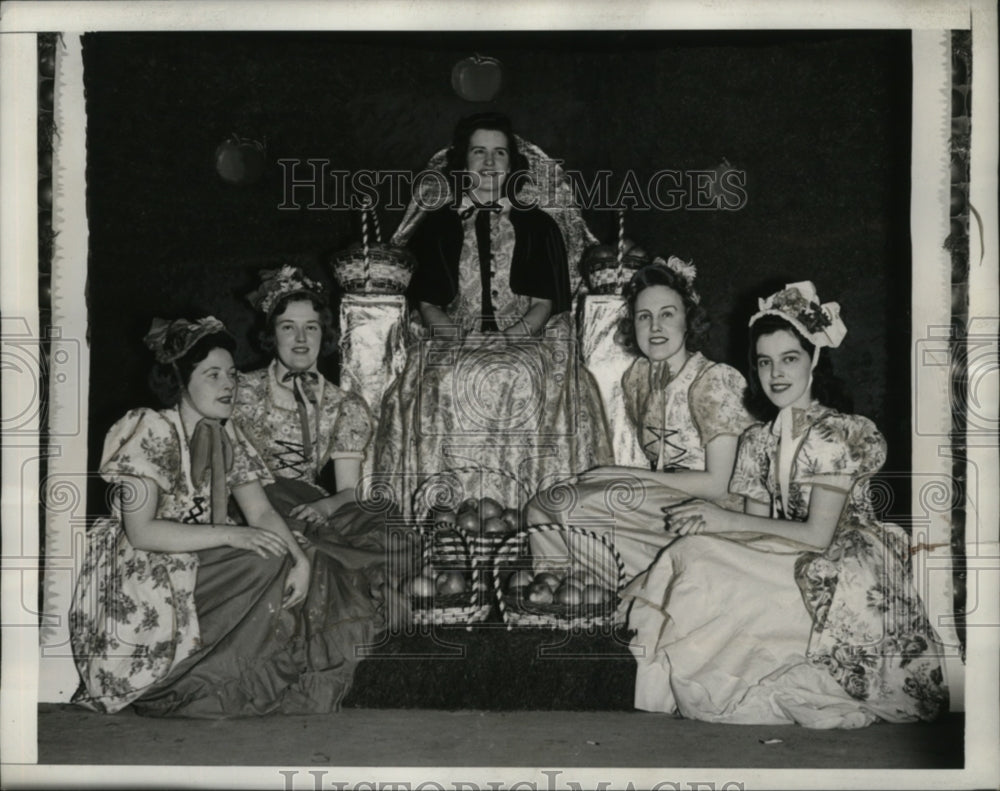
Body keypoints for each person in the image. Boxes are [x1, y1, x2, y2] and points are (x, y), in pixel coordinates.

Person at [623, 282, 948, 727]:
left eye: (789, 359)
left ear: (814, 359)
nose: (775, 374)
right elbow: (754, 528)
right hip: (792, 551)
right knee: (691, 554)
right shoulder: (759, 440)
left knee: (702, 557)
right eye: (764, 362)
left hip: (844, 560)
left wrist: (722, 518)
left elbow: (819, 534)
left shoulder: (837, 433)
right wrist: (713, 527)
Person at [69, 317, 372, 717]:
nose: (228, 385)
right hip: (142, 566)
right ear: (180, 379)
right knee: (257, 555)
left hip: (195, 554)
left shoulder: (227, 435)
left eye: (231, 374)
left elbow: (260, 510)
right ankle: (166, 685)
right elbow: (141, 533)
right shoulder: (150, 427)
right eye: (212, 375)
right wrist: (232, 537)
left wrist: (298, 561)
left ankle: (210, 678)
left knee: (284, 550)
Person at [374, 113, 612, 517]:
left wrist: (510, 338)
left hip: (528, 339)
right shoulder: (438, 225)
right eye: (479, 152)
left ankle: (534, 518)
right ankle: (447, 517)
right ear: (462, 162)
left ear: (512, 163)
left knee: (528, 376)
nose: (488, 163)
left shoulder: (539, 225)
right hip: (453, 340)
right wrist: (461, 338)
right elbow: (428, 304)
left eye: (499, 153)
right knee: (446, 378)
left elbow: (545, 304)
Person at [525, 258, 754, 586]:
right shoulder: (638, 378)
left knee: (578, 506)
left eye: (667, 314)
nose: (655, 327)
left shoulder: (713, 380)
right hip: (660, 502)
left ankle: (660, 578)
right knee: (541, 507)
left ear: (688, 320)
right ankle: (558, 591)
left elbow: (719, 484)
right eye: (644, 317)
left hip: (709, 511)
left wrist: (627, 475)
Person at [235, 265, 410, 614]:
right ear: (273, 334)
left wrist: (323, 507)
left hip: (309, 503)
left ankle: (376, 594)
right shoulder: (241, 390)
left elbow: (348, 491)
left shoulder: (344, 405)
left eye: (310, 328)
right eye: (289, 327)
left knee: (385, 528)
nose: (301, 338)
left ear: (323, 334)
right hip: (253, 503)